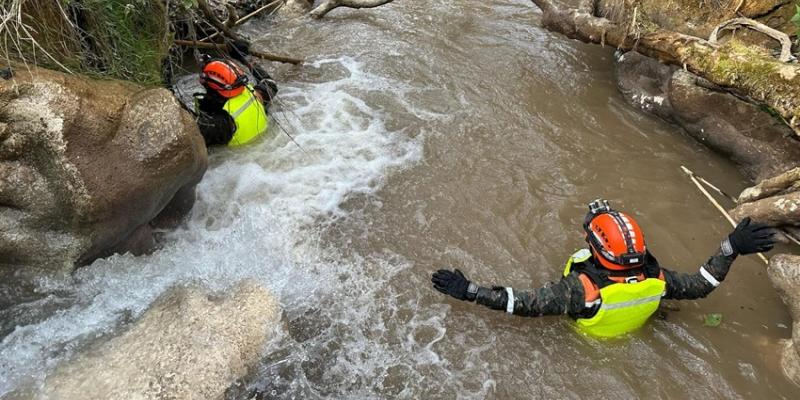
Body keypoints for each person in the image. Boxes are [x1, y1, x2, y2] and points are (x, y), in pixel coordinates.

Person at [431, 199, 776, 338]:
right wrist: (731, 247)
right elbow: (703, 284)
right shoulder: (657, 277)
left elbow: (518, 303)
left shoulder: (579, 291)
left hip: (589, 338)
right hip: (634, 323)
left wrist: (470, 291)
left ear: (595, 249)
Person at [195, 40, 278, 147]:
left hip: (238, 160)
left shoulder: (219, 125)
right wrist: (243, 57)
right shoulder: (253, 95)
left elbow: (188, 137)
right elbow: (270, 83)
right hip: (263, 149)